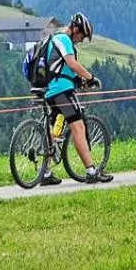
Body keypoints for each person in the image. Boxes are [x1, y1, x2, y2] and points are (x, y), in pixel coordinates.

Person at [39, 12, 112, 185]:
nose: (81, 40)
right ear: (75, 29)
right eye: (82, 36)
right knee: (78, 128)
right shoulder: (64, 39)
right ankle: (91, 172)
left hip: (51, 91)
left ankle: (45, 173)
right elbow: (72, 64)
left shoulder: (56, 40)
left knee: (53, 131)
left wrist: (80, 81)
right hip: (62, 91)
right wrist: (91, 77)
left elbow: (63, 70)